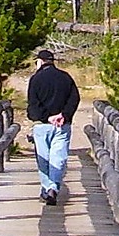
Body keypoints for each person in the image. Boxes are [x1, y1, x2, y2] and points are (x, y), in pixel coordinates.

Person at [25, 47, 79, 206]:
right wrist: (64, 115)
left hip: (42, 126)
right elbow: (74, 99)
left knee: (44, 159)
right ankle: (53, 188)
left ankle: (47, 188)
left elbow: (33, 105)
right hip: (62, 125)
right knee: (59, 157)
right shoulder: (66, 77)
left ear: (40, 62)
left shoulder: (36, 79)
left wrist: (46, 117)